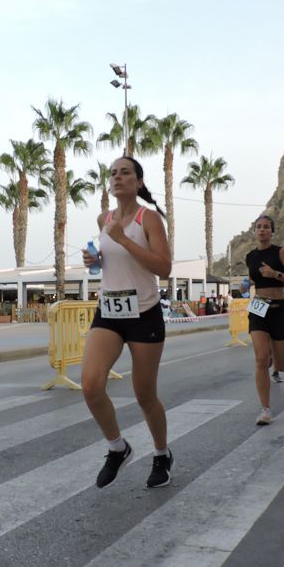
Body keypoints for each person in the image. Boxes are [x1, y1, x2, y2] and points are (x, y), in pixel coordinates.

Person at [80, 156, 173, 489]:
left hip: (144, 312)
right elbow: (112, 260)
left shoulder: (149, 220)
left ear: (138, 182)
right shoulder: (103, 218)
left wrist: (123, 239)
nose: (118, 177)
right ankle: (117, 448)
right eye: (113, 173)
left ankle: (162, 454)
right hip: (109, 309)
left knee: (144, 394)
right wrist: (96, 258)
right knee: (90, 385)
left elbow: (163, 268)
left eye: (125, 173)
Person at [245, 214, 284, 426]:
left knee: (279, 363)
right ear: (254, 231)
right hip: (259, 308)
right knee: (261, 359)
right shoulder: (250, 256)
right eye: (258, 227)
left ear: (272, 231)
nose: (262, 230)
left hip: (280, 310)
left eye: (266, 227)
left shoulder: (280, 252)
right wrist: (247, 283)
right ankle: (265, 409)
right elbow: (253, 278)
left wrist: (275, 274)